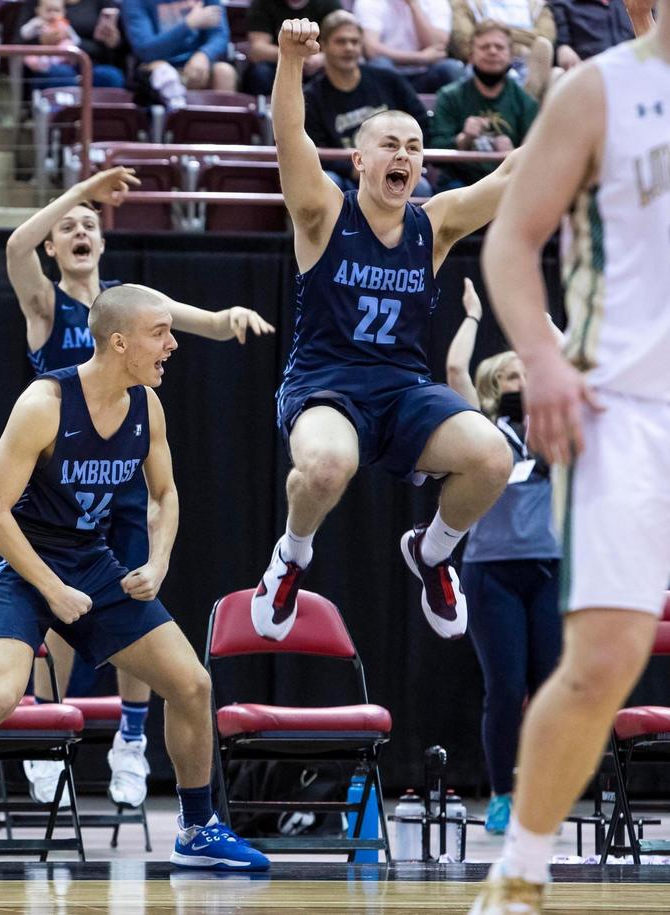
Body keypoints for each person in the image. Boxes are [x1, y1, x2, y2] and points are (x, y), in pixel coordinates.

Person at [0, 285, 271, 877]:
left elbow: (164, 494)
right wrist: (51, 590)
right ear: (119, 341)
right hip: (20, 559)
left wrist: (157, 562)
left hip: (90, 559)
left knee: (191, 684)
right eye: (160, 332)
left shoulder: (147, 406)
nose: (172, 344)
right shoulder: (44, 403)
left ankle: (198, 829)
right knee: (0, 693)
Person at [470, 2, 670, 910]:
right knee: (602, 660)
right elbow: (511, 239)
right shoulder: (600, 92)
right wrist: (542, 363)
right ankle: (521, 870)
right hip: (622, 408)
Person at [6, 166, 274, 809]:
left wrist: (227, 316)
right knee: (57, 620)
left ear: (102, 243)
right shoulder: (48, 305)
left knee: (134, 603)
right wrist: (81, 193)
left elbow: (197, 324)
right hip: (58, 484)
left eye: (89, 227)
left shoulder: (130, 299)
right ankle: (48, 729)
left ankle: (131, 740)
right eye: (66, 227)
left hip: (119, 482)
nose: (77, 231)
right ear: (54, 244)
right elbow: (16, 247)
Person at [251, 19, 518, 647]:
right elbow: (291, 139)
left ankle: (433, 553)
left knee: (493, 456)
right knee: (324, 469)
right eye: (390, 144)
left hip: (402, 392)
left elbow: (510, 179)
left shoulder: (435, 223)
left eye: (415, 147)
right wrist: (290, 60)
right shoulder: (324, 213)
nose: (403, 155)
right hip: (326, 386)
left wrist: (586, 92)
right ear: (359, 159)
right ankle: (290, 558)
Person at [444, 279, 561, 836]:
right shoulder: (483, 430)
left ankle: (544, 793)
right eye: (512, 375)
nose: (522, 381)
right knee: (505, 687)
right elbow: (454, 376)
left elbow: (576, 376)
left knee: (551, 688)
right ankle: (502, 794)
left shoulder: (555, 425)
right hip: (491, 571)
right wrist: (470, 318)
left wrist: (546, 342)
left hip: (550, 568)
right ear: (496, 385)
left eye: (527, 374)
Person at [303, 11, 432, 195]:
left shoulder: (388, 80)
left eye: (355, 42)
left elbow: (421, 123)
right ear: (323, 45)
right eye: (341, 41)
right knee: (328, 181)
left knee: (421, 188)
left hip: (395, 170)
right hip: (346, 177)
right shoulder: (312, 96)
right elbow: (314, 151)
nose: (349, 48)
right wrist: (354, 169)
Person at [429, 21, 538, 191]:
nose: (492, 51)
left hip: (509, 185)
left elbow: (537, 156)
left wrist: (513, 154)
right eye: (485, 46)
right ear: (471, 55)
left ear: (511, 56)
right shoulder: (449, 96)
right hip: (459, 185)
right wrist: (463, 139)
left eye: (499, 47)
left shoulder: (525, 102)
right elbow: (434, 152)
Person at [123, 0, 238, 92]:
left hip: (197, 62)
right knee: (163, 72)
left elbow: (220, 35)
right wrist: (188, 25)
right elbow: (145, 50)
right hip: (156, 63)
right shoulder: (134, 2)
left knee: (224, 72)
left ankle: (217, 121)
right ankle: (164, 120)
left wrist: (204, 54)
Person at [352, 0, 465, 92]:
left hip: (426, 73)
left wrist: (414, 5)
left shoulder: (435, 2)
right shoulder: (369, 2)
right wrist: (421, 58)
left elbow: (438, 46)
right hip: (390, 72)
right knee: (380, 65)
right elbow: (371, 50)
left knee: (452, 68)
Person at [20, 0, 127, 88]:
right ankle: (67, 114)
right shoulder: (34, 4)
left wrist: (112, 41)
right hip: (48, 66)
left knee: (111, 76)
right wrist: (42, 41)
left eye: (57, 10)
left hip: (91, 63)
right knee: (62, 74)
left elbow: (118, 46)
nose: (53, 14)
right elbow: (18, 41)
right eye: (49, 10)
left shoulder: (101, 3)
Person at [242, 0, 339, 96]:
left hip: (315, 65)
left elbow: (342, 42)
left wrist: (321, 58)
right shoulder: (262, 3)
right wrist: (292, 54)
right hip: (276, 64)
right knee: (260, 73)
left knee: (337, 71)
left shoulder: (329, 3)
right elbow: (257, 50)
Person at [550, 0, 634, 70]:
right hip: (591, 72)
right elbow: (562, 43)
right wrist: (563, 49)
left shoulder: (628, 3)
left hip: (633, 67)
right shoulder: (562, 4)